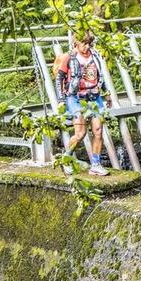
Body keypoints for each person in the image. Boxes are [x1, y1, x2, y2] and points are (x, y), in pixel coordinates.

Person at [54, 32, 110, 176]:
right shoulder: (69, 57)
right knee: (80, 133)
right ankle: (66, 159)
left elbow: (100, 75)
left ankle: (96, 165)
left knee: (98, 131)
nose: (86, 47)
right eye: (84, 43)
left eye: (89, 44)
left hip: (94, 96)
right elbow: (59, 79)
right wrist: (61, 100)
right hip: (75, 97)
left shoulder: (95, 55)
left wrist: (107, 93)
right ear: (76, 43)